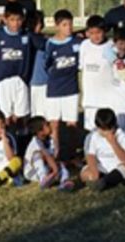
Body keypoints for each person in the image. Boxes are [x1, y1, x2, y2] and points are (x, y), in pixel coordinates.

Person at [43, 9, 82, 159]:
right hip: (54, 89)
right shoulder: (50, 44)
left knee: (72, 124)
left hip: (71, 89)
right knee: (54, 124)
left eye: (70, 24)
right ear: (57, 26)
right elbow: (47, 65)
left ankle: (72, 155)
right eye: (65, 25)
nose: (69, 28)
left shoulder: (77, 42)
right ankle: (56, 153)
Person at [0, 2, 34, 127]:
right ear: (5, 19)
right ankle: (8, 140)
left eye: (19, 19)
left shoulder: (27, 35)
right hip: (3, 81)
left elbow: (45, 43)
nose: (15, 23)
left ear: (23, 19)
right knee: (5, 117)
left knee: (20, 116)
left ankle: (21, 143)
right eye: (12, 20)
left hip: (20, 80)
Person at [80, 108, 125, 192]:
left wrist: (113, 142)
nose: (106, 132)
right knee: (85, 173)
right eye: (103, 130)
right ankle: (103, 180)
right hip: (100, 167)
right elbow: (90, 156)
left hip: (117, 167)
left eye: (109, 129)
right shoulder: (93, 136)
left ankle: (106, 181)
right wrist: (94, 172)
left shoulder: (121, 134)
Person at [78, 15, 114, 132]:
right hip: (90, 99)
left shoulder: (111, 46)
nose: (95, 36)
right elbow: (81, 66)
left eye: (98, 32)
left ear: (104, 31)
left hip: (108, 99)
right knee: (91, 130)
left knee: (107, 129)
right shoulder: (84, 45)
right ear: (87, 33)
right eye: (92, 33)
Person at [24, 116, 74, 191]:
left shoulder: (49, 139)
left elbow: (55, 155)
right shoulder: (36, 142)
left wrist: (55, 138)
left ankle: (64, 181)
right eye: (47, 125)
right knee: (37, 155)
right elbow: (47, 156)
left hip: (46, 169)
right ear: (40, 132)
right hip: (31, 172)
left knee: (61, 164)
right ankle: (43, 179)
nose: (50, 125)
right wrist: (55, 170)